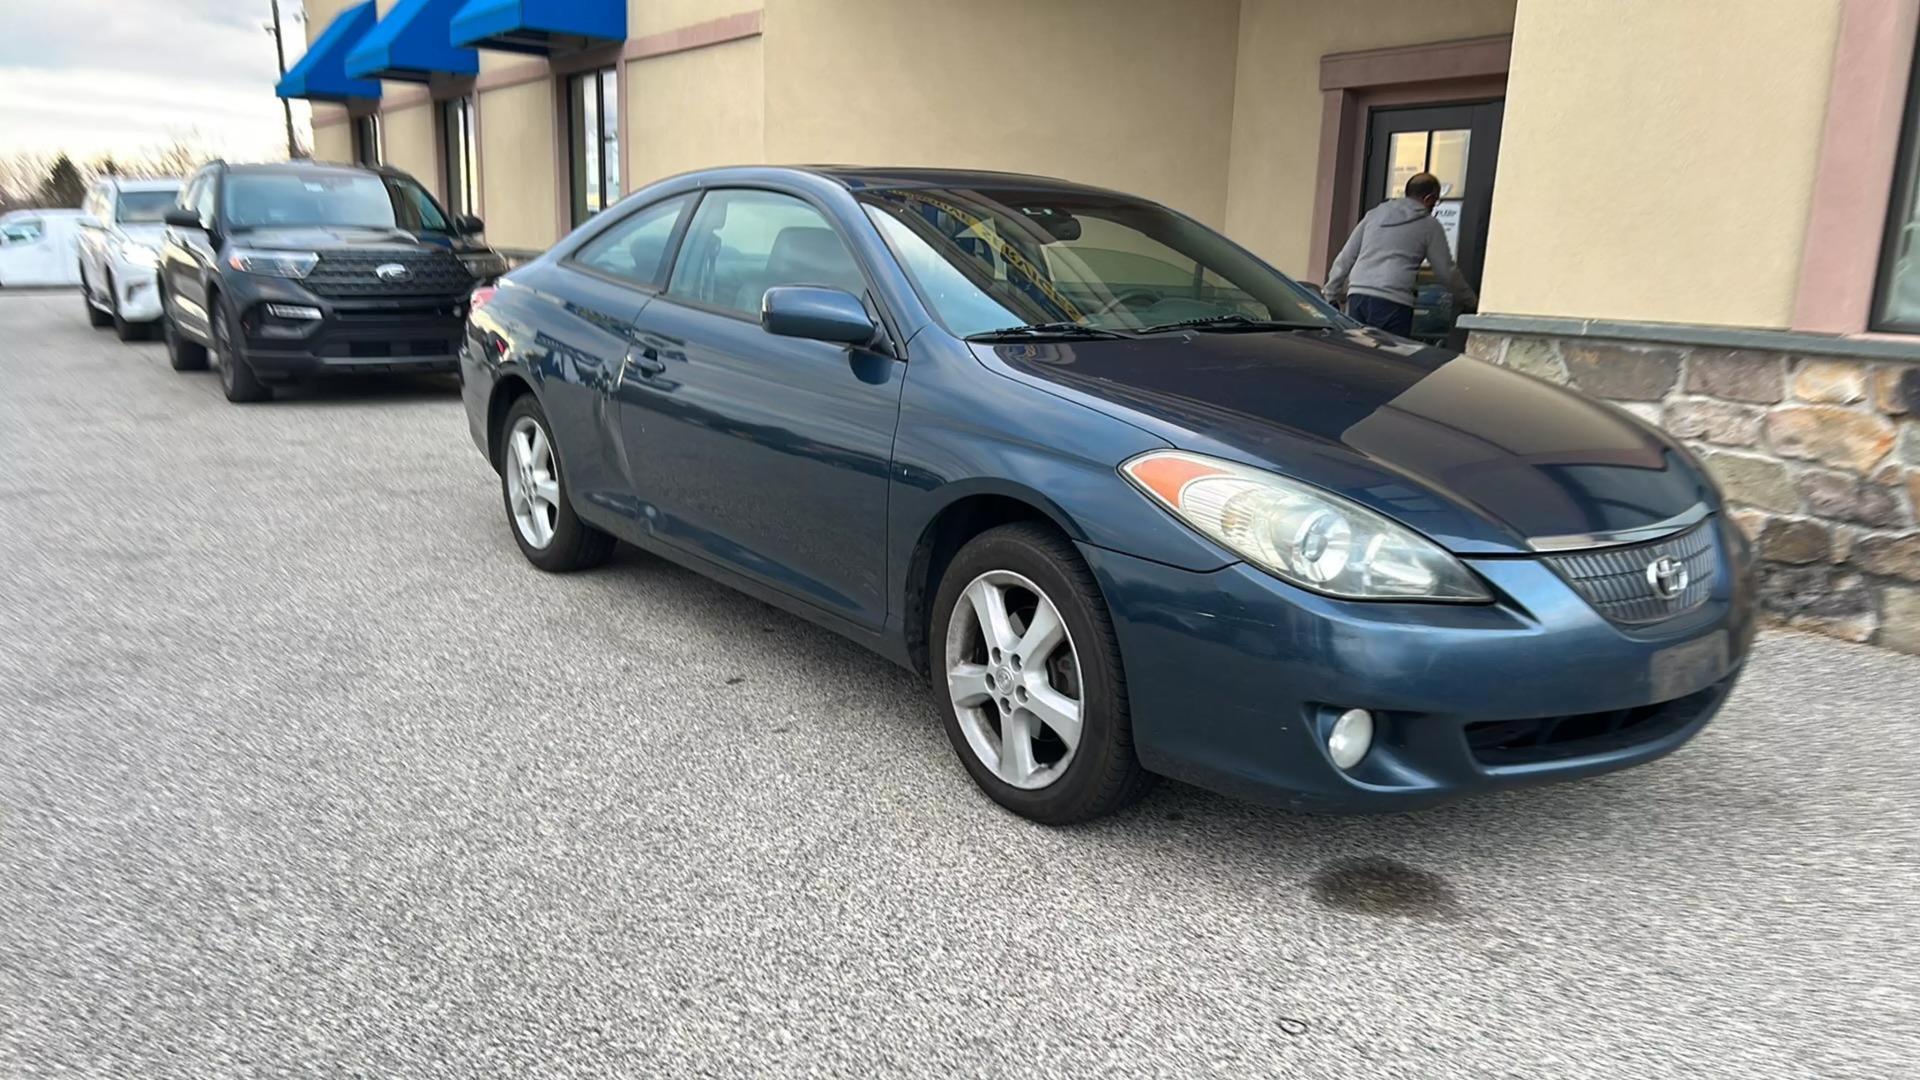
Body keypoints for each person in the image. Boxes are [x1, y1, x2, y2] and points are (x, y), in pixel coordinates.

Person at [1322, 172, 1477, 337]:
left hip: (1358, 297)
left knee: (1359, 355)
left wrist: (1331, 292)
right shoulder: (1429, 225)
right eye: (1436, 201)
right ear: (1429, 198)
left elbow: (1346, 257)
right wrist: (1471, 301)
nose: (1434, 206)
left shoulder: (1374, 215)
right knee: (1390, 358)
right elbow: (1446, 271)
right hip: (1394, 301)